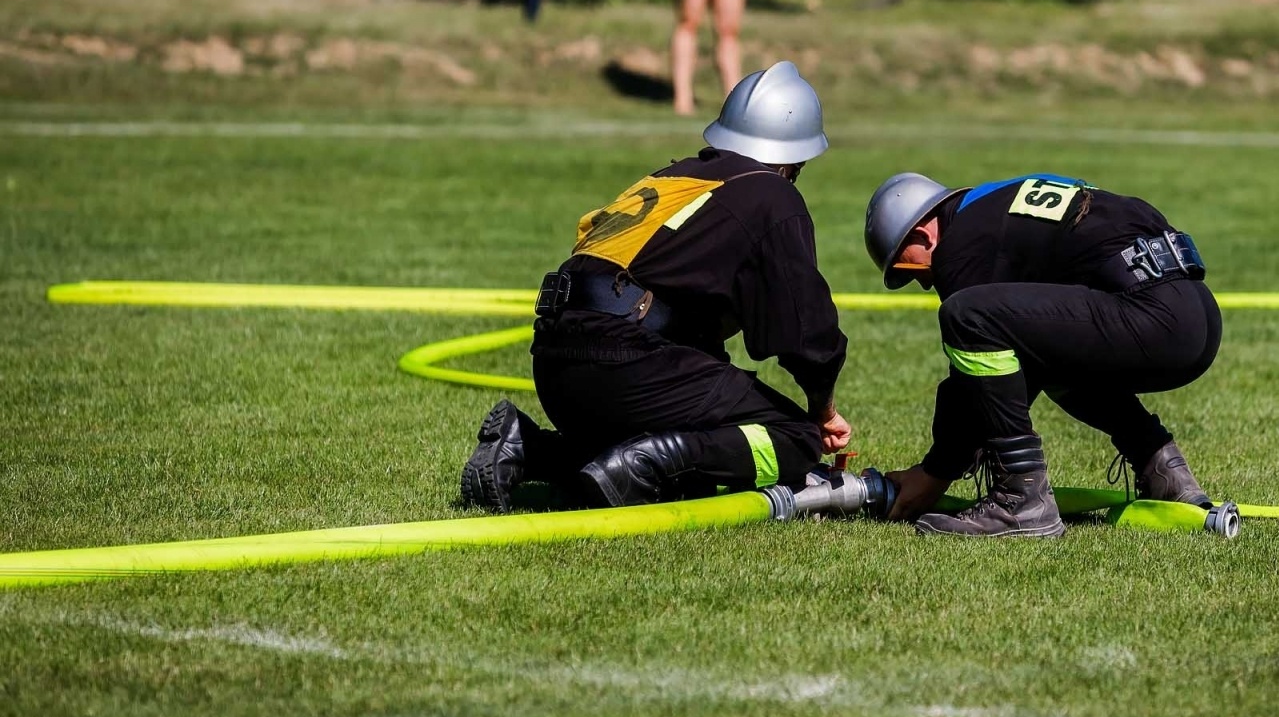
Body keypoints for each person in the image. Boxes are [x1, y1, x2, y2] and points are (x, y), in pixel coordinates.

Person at [461, 61, 851, 513]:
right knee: (793, 438)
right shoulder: (773, 194)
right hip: (625, 362)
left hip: (555, 361)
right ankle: (648, 465)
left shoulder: (674, 179)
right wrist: (822, 410)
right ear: (791, 160)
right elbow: (805, 331)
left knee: (651, 440)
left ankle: (529, 448)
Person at [862, 171, 1222, 537]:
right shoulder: (1000, 201)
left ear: (923, 234)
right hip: (1194, 312)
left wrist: (935, 472)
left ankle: (1022, 500)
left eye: (909, 269)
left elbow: (973, 377)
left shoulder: (960, 243)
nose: (924, 282)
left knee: (965, 315)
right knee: (1045, 354)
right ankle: (1166, 473)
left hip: (1152, 318)